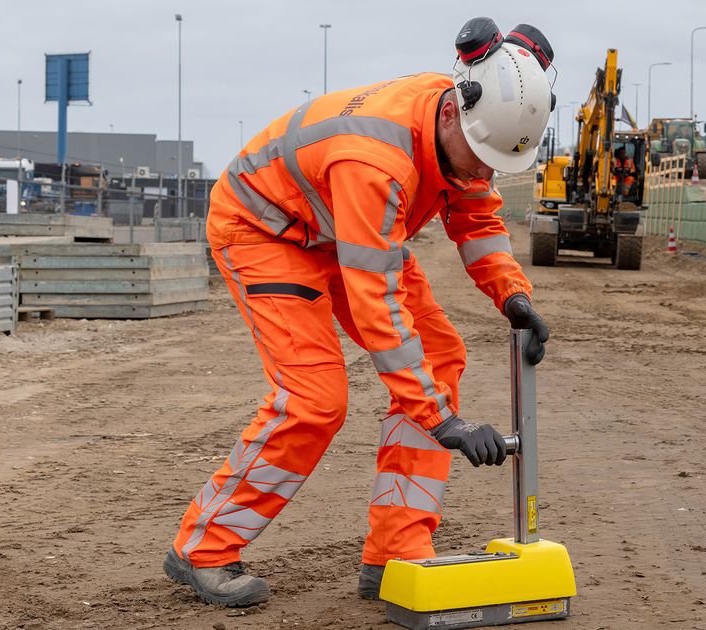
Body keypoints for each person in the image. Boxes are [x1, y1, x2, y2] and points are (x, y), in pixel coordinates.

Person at [161, 18, 556, 607]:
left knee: (441, 354)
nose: (483, 172)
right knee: (315, 398)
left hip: (341, 228)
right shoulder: (377, 160)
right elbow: (378, 305)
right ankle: (204, 548)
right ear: (451, 113)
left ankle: (396, 550)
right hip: (266, 230)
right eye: (479, 158)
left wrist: (513, 297)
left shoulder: (465, 132)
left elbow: (476, 218)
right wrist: (441, 420)